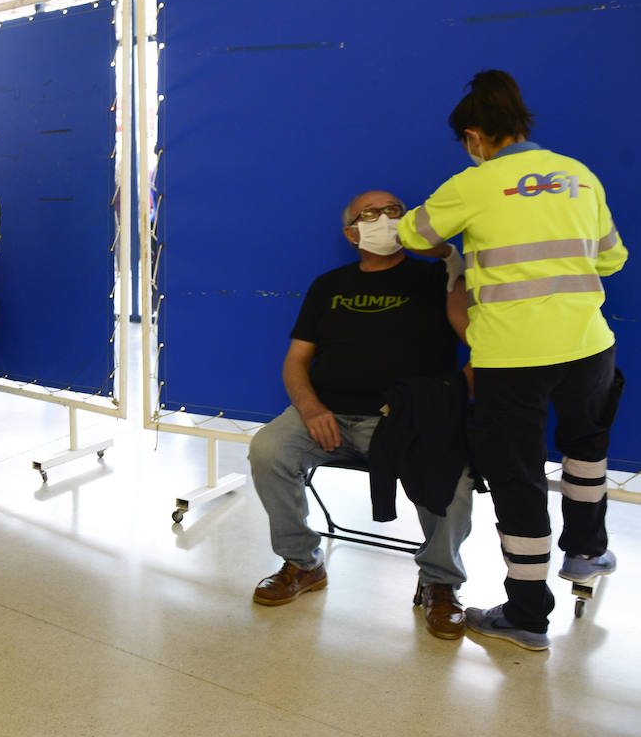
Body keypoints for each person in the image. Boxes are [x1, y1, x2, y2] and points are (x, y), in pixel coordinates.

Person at [398, 70, 628, 651]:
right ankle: (586, 553)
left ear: (475, 136)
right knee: (586, 451)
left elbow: (410, 234)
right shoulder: (579, 175)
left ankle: (527, 617)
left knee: (517, 477)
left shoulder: (474, 183)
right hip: (588, 344)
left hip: (512, 357)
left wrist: (462, 243)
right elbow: (612, 260)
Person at [247, 190, 475, 638]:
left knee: (454, 479)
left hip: (407, 422)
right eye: (371, 214)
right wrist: (311, 409)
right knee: (267, 450)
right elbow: (295, 362)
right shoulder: (328, 285)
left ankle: (441, 584)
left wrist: (447, 399)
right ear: (352, 233)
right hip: (328, 415)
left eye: (395, 212)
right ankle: (302, 563)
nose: (386, 219)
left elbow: (483, 345)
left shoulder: (437, 280)